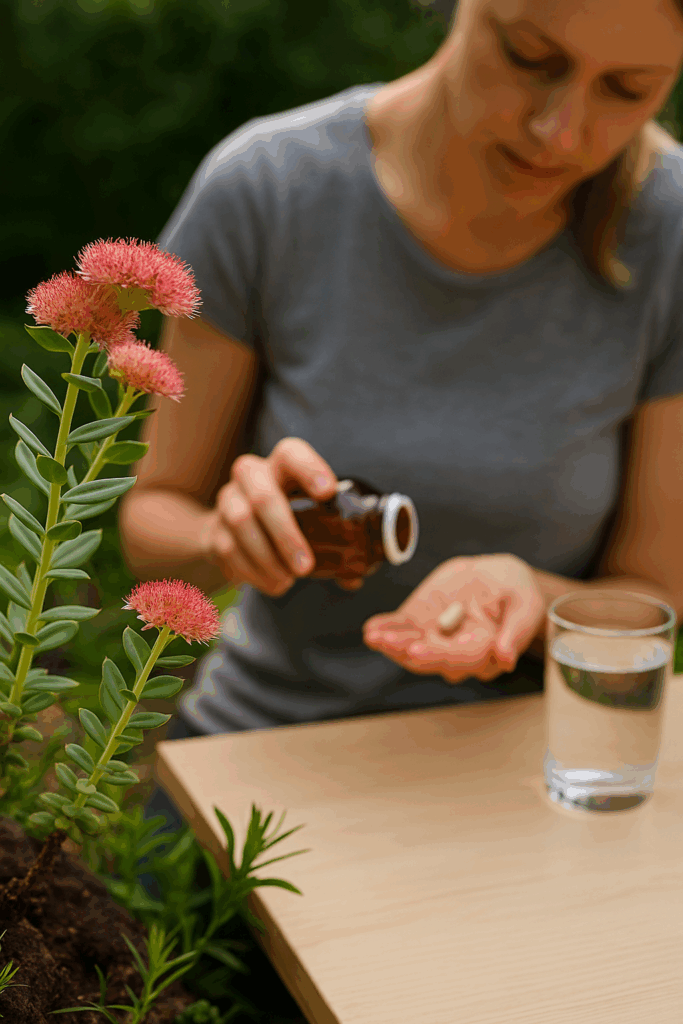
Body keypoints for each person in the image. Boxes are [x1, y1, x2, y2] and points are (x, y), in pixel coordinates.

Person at [120, 0, 683, 837]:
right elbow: (151, 519)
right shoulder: (269, 187)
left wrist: (534, 597)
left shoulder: (667, 232)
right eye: (528, 58)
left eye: (626, 90)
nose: (559, 132)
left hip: (519, 788)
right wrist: (223, 539)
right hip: (261, 765)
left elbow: (652, 601)